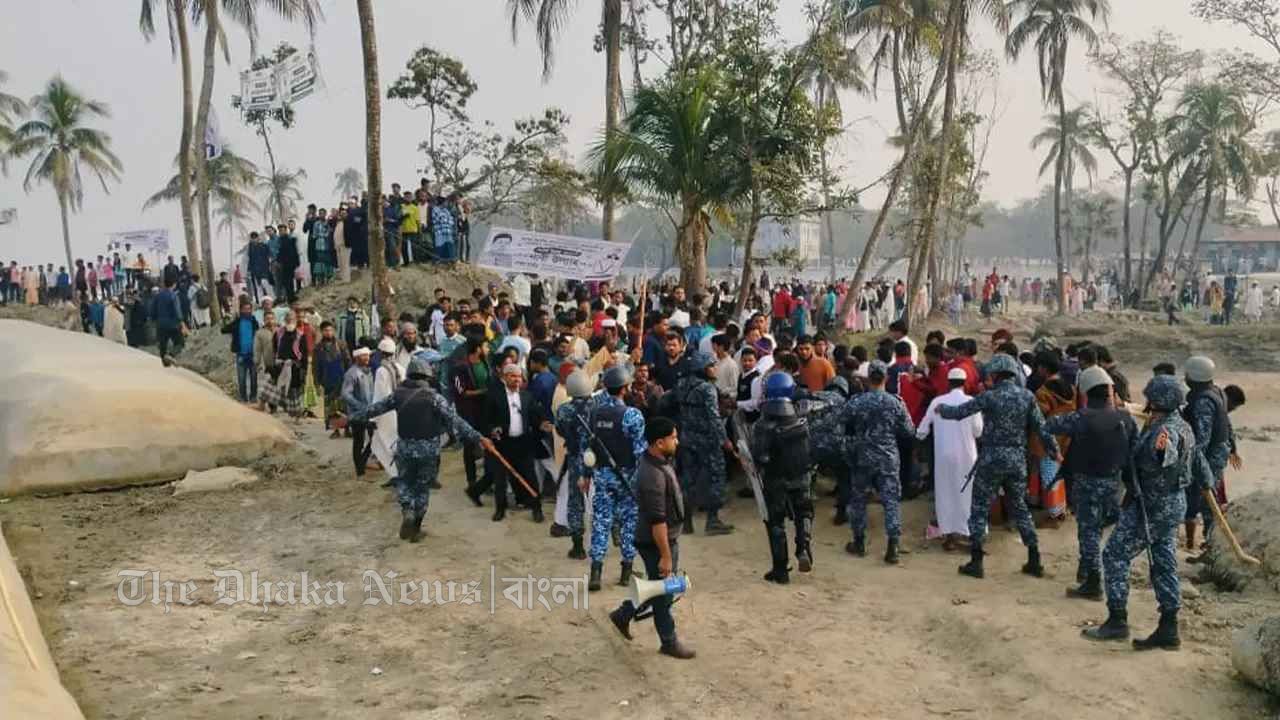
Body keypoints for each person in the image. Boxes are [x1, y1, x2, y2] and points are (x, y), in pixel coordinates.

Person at [1084, 375, 1210, 650]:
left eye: (1152, 397)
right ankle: (1169, 628)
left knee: (1115, 554)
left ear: (1160, 400)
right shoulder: (1182, 425)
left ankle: (1117, 621)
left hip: (1151, 507)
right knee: (1164, 561)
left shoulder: (1167, 432)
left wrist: (1163, 450)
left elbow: (1168, 456)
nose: (1148, 401)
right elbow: (1199, 460)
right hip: (1172, 505)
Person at [938, 353, 1059, 579]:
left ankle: (976, 561)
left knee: (980, 507)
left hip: (991, 459)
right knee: (1020, 508)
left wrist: (942, 409)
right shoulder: (1027, 396)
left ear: (995, 374)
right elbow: (1042, 428)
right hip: (1016, 460)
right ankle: (1034, 559)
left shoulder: (989, 396)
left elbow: (960, 413)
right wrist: (1054, 450)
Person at [349, 357, 496, 542]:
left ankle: (407, 510)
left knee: (404, 482)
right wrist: (479, 437)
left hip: (405, 447)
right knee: (422, 487)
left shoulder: (397, 395)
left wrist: (350, 418)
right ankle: (416, 528)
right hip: (428, 450)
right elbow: (456, 421)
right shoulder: (435, 398)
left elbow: (373, 410)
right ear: (427, 376)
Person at [1043, 367, 1138, 600]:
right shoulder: (1126, 419)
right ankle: (1089, 571)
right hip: (1114, 484)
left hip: (1087, 484)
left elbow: (1050, 426)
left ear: (1085, 393)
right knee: (1101, 528)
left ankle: (1093, 581)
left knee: (1088, 532)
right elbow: (1134, 451)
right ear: (1109, 391)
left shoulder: (1081, 418)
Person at [607, 417, 696, 659]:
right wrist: (666, 556)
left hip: (659, 539)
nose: (677, 441)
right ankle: (668, 641)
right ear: (659, 442)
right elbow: (658, 522)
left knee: (657, 588)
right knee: (663, 594)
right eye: (673, 437)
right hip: (656, 542)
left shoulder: (658, 462)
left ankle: (623, 614)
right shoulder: (652, 476)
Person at [834, 360, 916, 564]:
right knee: (891, 501)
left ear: (868, 378)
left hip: (863, 455)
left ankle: (859, 542)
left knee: (859, 499)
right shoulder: (895, 402)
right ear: (886, 378)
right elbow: (909, 431)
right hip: (888, 457)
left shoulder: (857, 401)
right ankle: (893, 547)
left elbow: (841, 419)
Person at [582, 367, 647, 591]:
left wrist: (586, 475)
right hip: (627, 478)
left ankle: (596, 572)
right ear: (625, 388)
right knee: (629, 523)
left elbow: (587, 449)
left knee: (601, 522)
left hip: (602, 476)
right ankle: (626, 572)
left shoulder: (594, 413)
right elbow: (640, 451)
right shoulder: (632, 415)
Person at [751, 372, 815, 584]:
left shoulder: (762, 426)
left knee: (776, 523)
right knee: (804, 513)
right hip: (802, 475)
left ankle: (781, 570)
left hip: (775, 479)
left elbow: (758, 456)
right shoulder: (803, 419)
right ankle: (804, 547)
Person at [915, 368, 982, 550]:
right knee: (966, 494)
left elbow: (921, 432)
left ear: (948, 382)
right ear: (965, 383)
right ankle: (968, 533)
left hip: (943, 456)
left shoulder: (938, 401)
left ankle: (949, 536)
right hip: (967, 457)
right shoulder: (971, 402)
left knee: (945, 494)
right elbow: (978, 431)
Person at [476, 364, 552, 522]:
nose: (517, 379)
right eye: (512, 376)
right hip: (502, 444)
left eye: (519, 376)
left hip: (523, 444)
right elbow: (485, 420)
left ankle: (536, 509)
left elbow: (535, 417)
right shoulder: (494, 396)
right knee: (500, 479)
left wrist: (542, 424)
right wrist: (491, 430)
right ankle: (500, 509)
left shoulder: (527, 396)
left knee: (530, 478)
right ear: (504, 377)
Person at [675, 351, 735, 536]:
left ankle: (686, 522)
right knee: (715, 478)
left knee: (688, 480)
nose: (715, 368)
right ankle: (713, 520)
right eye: (711, 365)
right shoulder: (707, 389)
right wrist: (725, 440)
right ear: (703, 368)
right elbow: (714, 418)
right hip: (707, 441)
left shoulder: (681, 384)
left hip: (686, 438)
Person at [1182, 356, 1231, 562]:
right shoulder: (1216, 391)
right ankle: (1210, 546)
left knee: (1207, 502)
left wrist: (1188, 458)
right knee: (1207, 501)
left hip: (1209, 456)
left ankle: (1212, 548)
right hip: (1216, 452)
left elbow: (1202, 438)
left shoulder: (1203, 401)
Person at [553, 370, 597, 560]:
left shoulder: (564, 410)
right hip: (598, 460)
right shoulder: (598, 406)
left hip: (575, 461)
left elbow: (561, 430)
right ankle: (612, 533)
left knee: (575, 502)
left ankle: (578, 547)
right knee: (601, 498)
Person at [371, 337, 404, 479]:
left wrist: (374, 416)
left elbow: (380, 394)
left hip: (386, 413)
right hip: (400, 409)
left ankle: (395, 475)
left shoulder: (381, 371)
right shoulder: (400, 368)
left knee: (384, 444)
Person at [314, 321, 351, 435]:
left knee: (344, 406)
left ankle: (347, 429)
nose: (328, 333)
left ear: (333, 331)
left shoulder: (341, 344)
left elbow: (348, 361)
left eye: (330, 330)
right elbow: (316, 367)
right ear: (322, 332)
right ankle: (335, 430)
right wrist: (317, 382)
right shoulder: (318, 348)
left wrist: (349, 377)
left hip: (342, 379)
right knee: (331, 407)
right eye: (325, 330)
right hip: (327, 380)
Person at [222, 299, 260, 403]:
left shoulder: (254, 322)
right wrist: (225, 319)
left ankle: (253, 397)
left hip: (253, 354)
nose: (247, 311)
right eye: (245, 309)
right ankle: (243, 397)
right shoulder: (237, 323)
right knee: (241, 378)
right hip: (241, 355)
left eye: (249, 309)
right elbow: (224, 330)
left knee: (254, 378)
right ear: (241, 310)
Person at [149, 278, 188, 362]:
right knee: (180, 343)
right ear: (174, 284)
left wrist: (154, 320)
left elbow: (152, 310)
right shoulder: (173, 296)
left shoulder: (158, 296)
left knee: (163, 345)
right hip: (173, 325)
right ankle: (171, 355)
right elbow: (177, 311)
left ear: (164, 284)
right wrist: (182, 324)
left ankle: (165, 364)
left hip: (160, 325)